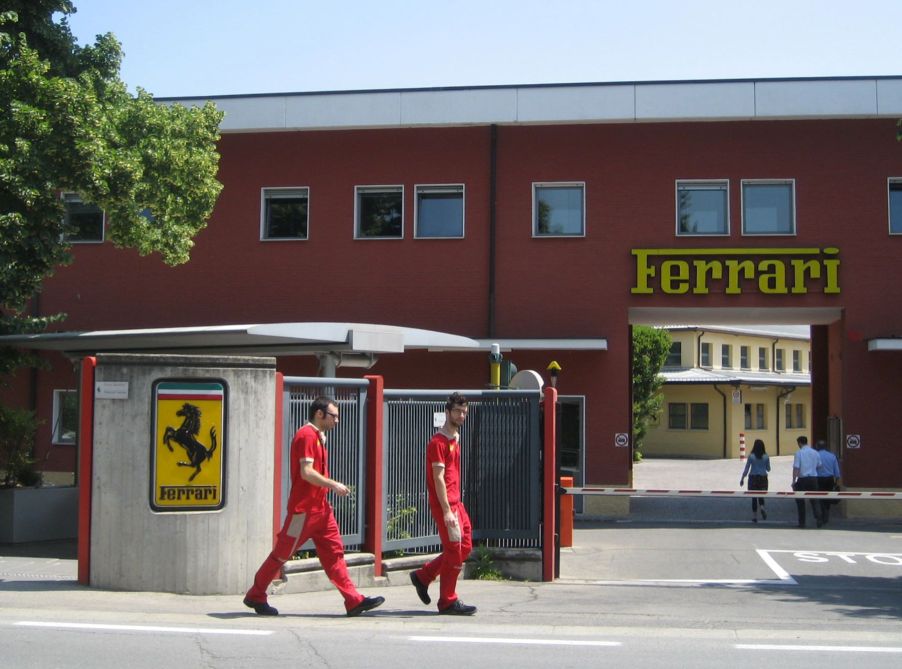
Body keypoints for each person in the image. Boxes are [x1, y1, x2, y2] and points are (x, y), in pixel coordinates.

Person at [244, 396, 384, 617]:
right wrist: (334, 484)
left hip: (321, 509)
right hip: (304, 510)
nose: (337, 421)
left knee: (334, 553)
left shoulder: (317, 436)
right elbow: (306, 472)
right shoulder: (306, 435)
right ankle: (256, 594)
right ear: (319, 414)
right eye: (333, 416)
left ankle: (353, 600)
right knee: (282, 554)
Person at [409, 392, 477, 615]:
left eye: (464, 412)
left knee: (465, 546)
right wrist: (447, 511)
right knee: (455, 550)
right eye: (457, 411)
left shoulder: (454, 439)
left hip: (458, 503)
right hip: (447, 505)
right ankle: (447, 601)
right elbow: (438, 478)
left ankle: (423, 576)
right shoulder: (438, 442)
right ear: (447, 412)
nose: (461, 415)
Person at [792, 435, 822, 528]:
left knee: (800, 501)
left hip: (803, 479)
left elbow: (796, 468)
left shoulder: (799, 453)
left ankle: (802, 522)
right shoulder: (815, 452)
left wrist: (794, 480)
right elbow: (819, 465)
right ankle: (818, 518)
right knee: (815, 500)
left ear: (800, 443)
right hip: (813, 478)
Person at [740, 439, 770, 523]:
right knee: (761, 495)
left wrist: (742, 478)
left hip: (753, 478)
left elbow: (746, 468)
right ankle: (762, 507)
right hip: (763, 478)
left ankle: (754, 516)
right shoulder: (766, 456)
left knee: (753, 497)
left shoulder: (751, 456)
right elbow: (768, 469)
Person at [815, 439, 841, 525]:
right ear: (826, 447)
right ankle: (826, 516)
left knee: (819, 498)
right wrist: (836, 481)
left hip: (818, 479)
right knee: (828, 497)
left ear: (818, 447)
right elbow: (837, 471)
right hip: (829, 479)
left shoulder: (816, 455)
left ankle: (821, 515)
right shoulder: (832, 456)